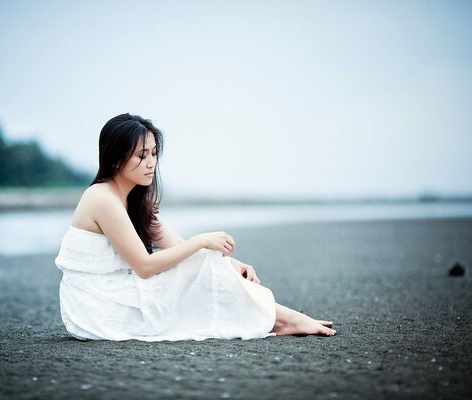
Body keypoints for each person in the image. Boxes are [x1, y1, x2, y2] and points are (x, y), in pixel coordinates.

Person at [55, 113, 336, 341]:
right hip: (97, 306)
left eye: (154, 153)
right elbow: (144, 266)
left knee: (201, 263)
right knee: (193, 263)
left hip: (116, 294)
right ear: (115, 158)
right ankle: (284, 319)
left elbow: (177, 246)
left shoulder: (134, 200)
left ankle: (279, 319)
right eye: (141, 156)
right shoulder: (101, 197)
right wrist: (202, 241)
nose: (151, 163)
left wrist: (230, 264)